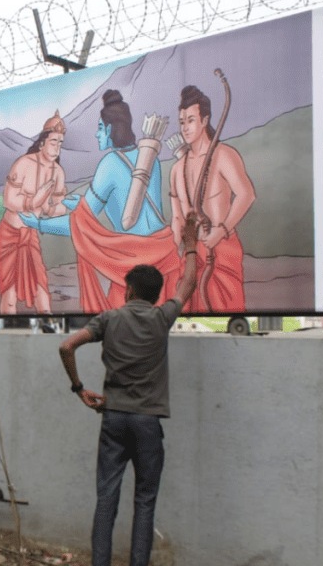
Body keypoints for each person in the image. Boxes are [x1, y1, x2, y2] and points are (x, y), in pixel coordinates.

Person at [57, 212, 199, 566]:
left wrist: (79, 388)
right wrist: (192, 245)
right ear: (155, 295)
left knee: (106, 498)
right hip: (148, 422)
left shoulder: (109, 319)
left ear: (129, 290)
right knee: (145, 501)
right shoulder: (162, 317)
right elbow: (188, 285)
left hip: (114, 418)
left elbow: (66, 346)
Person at [20, 91, 181, 312]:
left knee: (123, 320)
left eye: (99, 128)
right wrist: (82, 204)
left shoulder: (110, 163)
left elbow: (78, 225)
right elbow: (126, 205)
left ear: (109, 129)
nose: (96, 135)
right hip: (165, 254)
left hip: (137, 267)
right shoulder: (149, 157)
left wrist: (38, 224)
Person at [169, 84, 255, 313]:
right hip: (191, 253)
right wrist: (179, 241)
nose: (185, 128)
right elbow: (177, 215)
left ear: (204, 120)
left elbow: (246, 194)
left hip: (221, 247)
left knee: (224, 308)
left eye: (190, 120)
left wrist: (221, 231)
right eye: (181, 121)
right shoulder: (177, 168)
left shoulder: (224, 155)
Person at [0, 111, 68, 314]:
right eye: (53, 141)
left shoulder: (58, 173)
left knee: (42, 293)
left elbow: (55, 208)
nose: (57, 147)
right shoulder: (24, 163)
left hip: (30, 235)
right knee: (9, 297)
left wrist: (57, 207)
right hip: (9, 234)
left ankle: (49, 333)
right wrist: (34, 201)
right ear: (43, 142)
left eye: (60, 142)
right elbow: (9, 200)